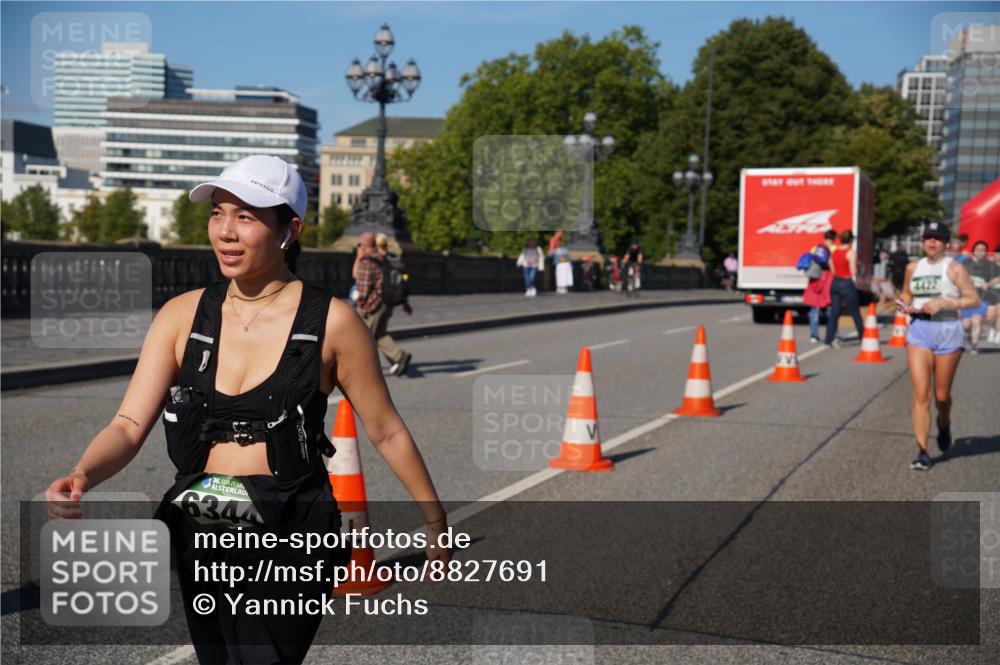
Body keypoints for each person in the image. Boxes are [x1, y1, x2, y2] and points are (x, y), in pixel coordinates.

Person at [43, 155, 450, 663]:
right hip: (207, 515)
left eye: (246, 216)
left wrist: (435, 523)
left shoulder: (334, 323)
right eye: (218, 213)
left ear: (289, 229)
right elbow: (127, 426)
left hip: (293, 522)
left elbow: (386, 430)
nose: (225, 232)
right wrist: (82, 473)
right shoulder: (180, 315)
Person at [899, 221, 980, 471]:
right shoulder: (913, 267)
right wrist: (903, 304)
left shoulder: (954, 268)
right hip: (919, 331)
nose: (932, 242)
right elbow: (905, 293)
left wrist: (944, 303)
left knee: (941, 396)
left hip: (947, 331)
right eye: (927, 238)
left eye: (937, 238)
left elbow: (973, 298)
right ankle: (922, 451)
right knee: (921, 394)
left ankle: (944, 423)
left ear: (945, 243)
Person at [357, 232, 412, 375]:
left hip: (373, 306)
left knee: (364, 337)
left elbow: (362, 291)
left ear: (364, 245)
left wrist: (362, 304)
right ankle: (400, 356)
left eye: (360, 244)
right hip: (387, 302)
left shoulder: (367, 261)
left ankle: (364, 370)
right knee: (380, 334)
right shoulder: (383, 259)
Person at [823, 229, 866, 347]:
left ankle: (829, 339)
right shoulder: (851, 252)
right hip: (846, 282)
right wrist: (856, 265)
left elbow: (832, 269)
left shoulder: (835, 252)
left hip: (835, 282)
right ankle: (863, 336)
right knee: (855, 312)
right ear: (851, 240)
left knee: (834, 312)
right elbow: (853, 271)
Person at [961, 240, 998, 353]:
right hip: (967, 299)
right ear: (974, 251)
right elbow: (956, 277)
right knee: (966, 324)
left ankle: (974, 346)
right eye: (978, 250)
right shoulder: (965, 263)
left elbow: (998, 277)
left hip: (983, 298)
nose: (981, 252)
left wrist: (988, 284)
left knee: (976, 320)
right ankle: (966, 338)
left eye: (983, 250)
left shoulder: (991, 264)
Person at [803, 230, 836, 343]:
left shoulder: (815, 248)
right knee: (830, 308)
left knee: (814, 308)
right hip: (827, 280)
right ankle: (832, 334)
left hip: (814, 279)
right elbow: (834, 266)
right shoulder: (834, 249)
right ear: (834, 238)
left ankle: (814, 335)